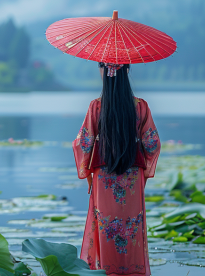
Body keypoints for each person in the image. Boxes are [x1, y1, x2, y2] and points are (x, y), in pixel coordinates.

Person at [72, 62, 160, 276]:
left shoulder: (97, 106)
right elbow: (152, 144)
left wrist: (88, 171)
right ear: (127, 70)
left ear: (104, 71)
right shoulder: (140, 106)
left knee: (105, 227)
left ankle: (106, 271)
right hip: (132, 177)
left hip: (104, 176)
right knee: (131, 229)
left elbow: (83, 144)